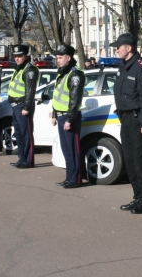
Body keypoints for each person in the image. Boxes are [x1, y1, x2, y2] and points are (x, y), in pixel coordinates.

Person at [111, 34, 142, 214]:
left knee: (140, 161)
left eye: (118, 47)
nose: (116, 49)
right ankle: (137, 197)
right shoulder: (124, 67)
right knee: (130, 161)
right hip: (126, 119)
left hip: (139, 121)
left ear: (128, 48)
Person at [52, 44, 85, 188]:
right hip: (60, 116)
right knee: (66, 149)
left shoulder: (75, 74)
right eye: (57, 57)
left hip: (69, 117)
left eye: (60, 57)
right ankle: (69, 177)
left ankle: (76, 178)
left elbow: (74, 99)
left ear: (68, 58)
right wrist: (54, 113)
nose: (57, 60)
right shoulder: (63, 72)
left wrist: (70, 119)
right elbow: (58, 95)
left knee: (73, 148)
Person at [8, 44, 39, 168]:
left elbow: (30, 91)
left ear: (25, 56)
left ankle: (28, 161)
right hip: (15, 106)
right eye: (15, 56)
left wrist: (27, 108)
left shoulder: (29, 70)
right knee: (19, 134)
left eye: (19, 56)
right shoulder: (19, 69)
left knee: (26, 135)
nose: (17, 58)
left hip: (22, 106)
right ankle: (22, 158)